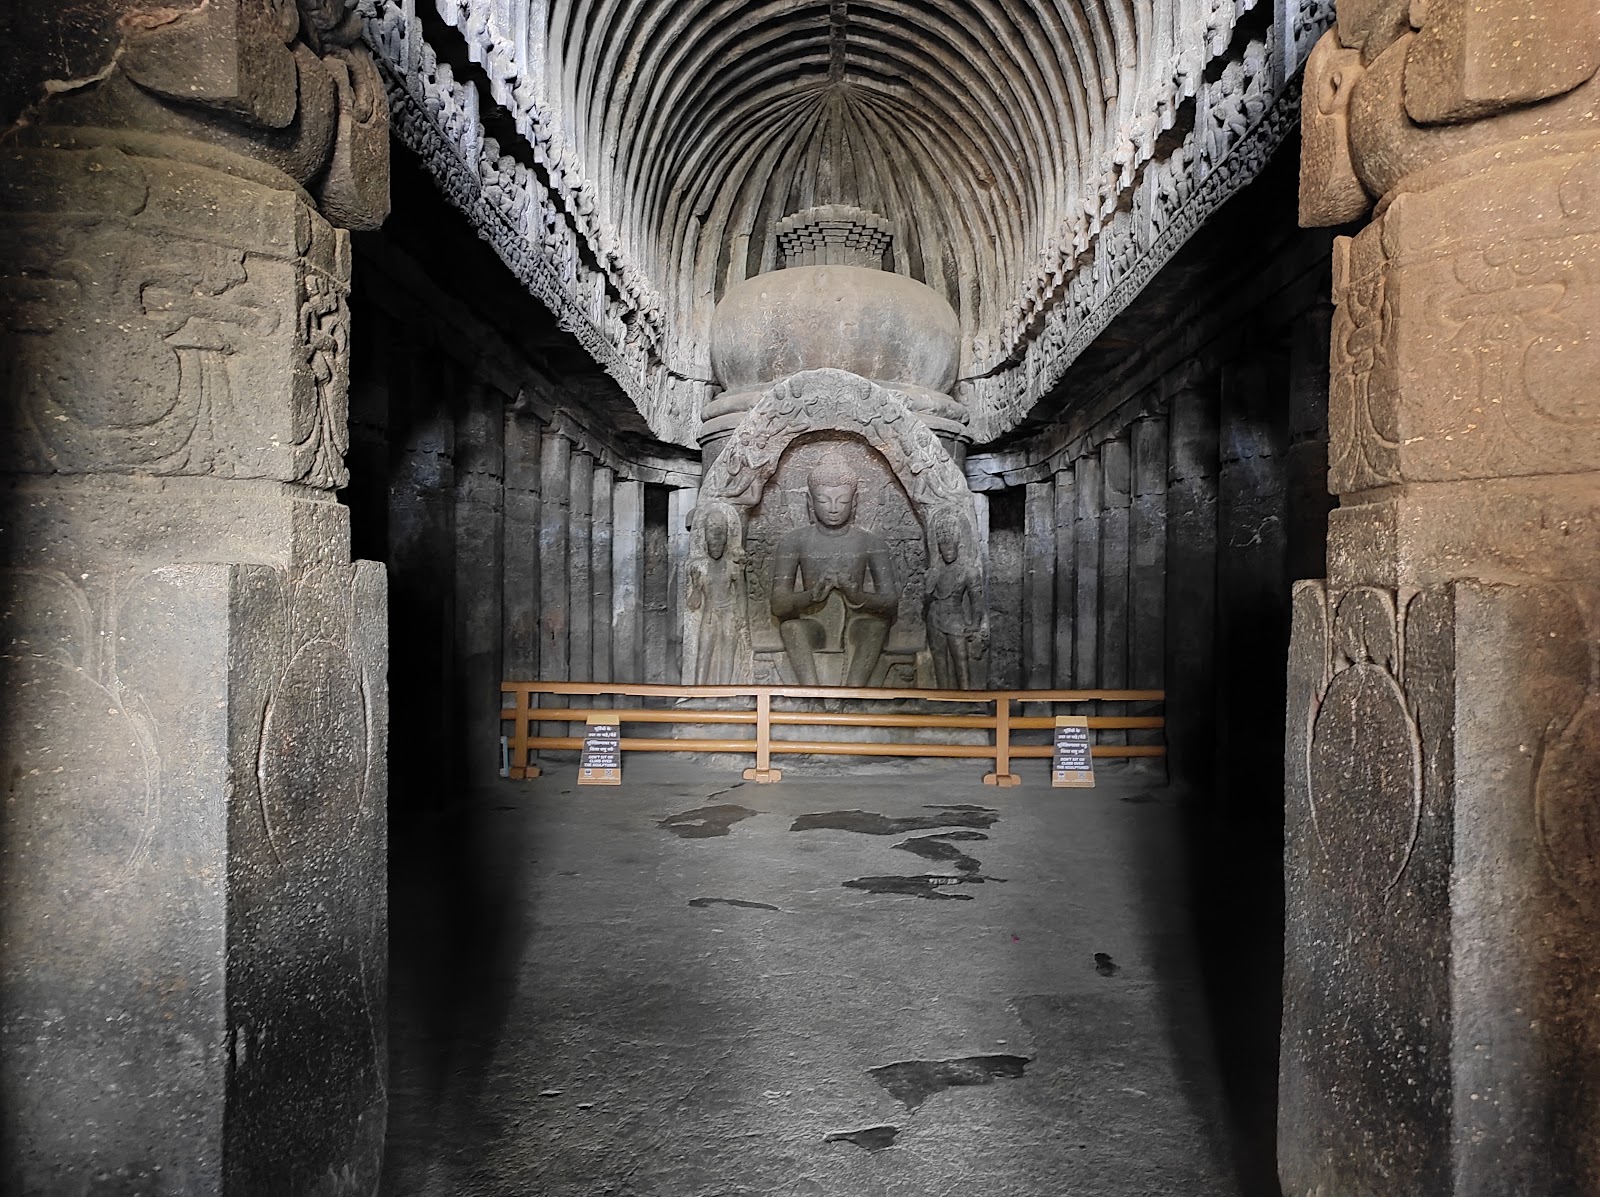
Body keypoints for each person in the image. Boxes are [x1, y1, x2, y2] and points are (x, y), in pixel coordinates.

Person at [769, 451, 900, 686]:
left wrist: (856, 596)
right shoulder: (794, 541)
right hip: (814, 622)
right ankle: (812, 696)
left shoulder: (870, 543)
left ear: (855, 502)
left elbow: (890, 603)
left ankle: (852, 696)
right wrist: (812, 595)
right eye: (823, 500)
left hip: (856, 623)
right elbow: (778, 603)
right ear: (810, 502)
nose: (832, 508)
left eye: (842, 501)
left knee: (876, 627)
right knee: (791, 628)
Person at [685, 505, 749, 685]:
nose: (716, 542)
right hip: (709, 614)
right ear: (704, 538)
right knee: (703, 653)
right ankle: (698, 692)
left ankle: (725, 692)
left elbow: (741, 594)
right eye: (712, 537)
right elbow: (693, 605)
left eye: (719, 537)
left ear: (726, 538)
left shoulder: (732, 565)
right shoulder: (698, 566)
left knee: (728, 653)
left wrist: (742, 618)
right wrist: (696, 588)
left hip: (729, 613)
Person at [924, 511, 988, 689]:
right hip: (934, 619)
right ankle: (943, 696)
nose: (948, 550)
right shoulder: (935, 571)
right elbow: (925, 599)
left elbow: (976, 599)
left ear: (958, 544)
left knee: (960, 659)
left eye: (951, 546)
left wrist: (975, 623)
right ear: (938, 547)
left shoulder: (969, 571)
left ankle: (966, 696)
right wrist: (928, 586)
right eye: (944, 546)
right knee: (939, 660)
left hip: (955, 619)